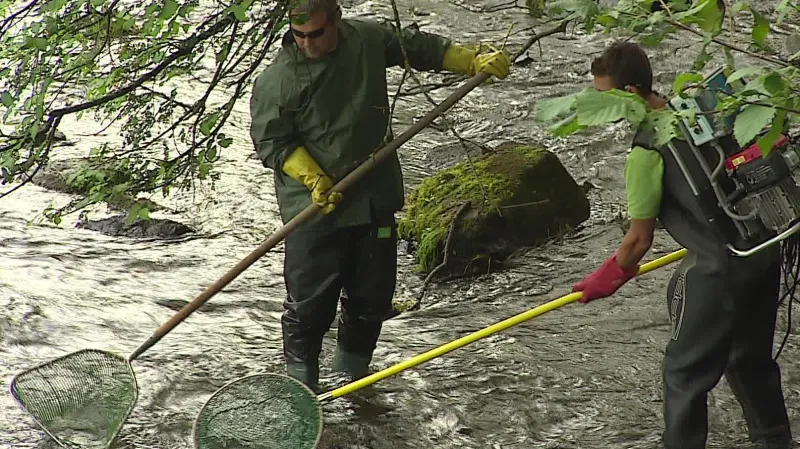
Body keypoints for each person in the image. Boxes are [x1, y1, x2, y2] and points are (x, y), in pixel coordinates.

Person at [248, 0, 512, 391]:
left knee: (371, 300)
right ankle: (301, 391)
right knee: (308, 309)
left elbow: (418, 49)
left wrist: (472, 61)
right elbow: (272, 141)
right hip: (316, 209)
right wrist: (312, 178)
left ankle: (352, 385)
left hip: (373, 198)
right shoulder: (278, 80)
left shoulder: (366, 40)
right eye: (298, 35)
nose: (306, 43)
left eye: (316, 33)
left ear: (336, 19)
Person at [571, 41, 793, 449]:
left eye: (606, 97)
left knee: (683, 375)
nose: (603, 109)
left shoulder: (644, 153)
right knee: (749, 359)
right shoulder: (698, 110)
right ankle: (776, 441)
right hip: (761, 249)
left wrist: (608, 277)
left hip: (717, 270)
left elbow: (639, 240)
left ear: (631, 94)